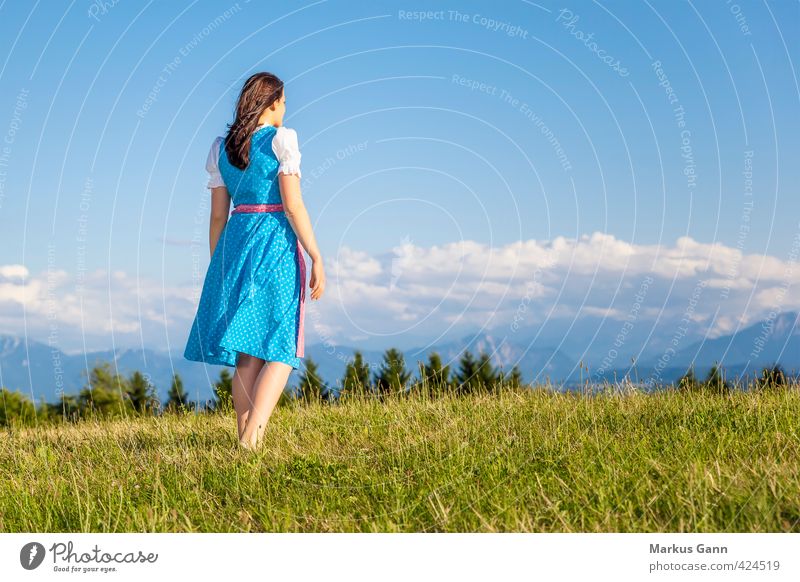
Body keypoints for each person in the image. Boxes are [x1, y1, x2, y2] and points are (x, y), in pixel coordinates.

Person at [184, 72, 325, 451]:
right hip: (274, 242)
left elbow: (217, 216)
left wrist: (222, 264)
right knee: (280, 347)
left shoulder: (221, 148)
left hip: (235, 242)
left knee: (248, 353)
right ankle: (251, 440)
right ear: (273, 103)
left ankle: (247, 442)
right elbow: (293, 206)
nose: (286, 108)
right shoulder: (283, 140)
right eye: (284, 101)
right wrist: (316, 254)